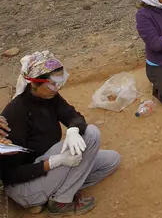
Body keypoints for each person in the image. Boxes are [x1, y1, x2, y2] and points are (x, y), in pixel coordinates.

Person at [0, 51, 120, 215]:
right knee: (91, 134)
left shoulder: (49, 96)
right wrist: (55, 162)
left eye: (60, 82)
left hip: (50, 166)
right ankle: (60, 202)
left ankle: (54, 192)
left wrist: (72, 130)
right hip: (25, 185)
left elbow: (73, 116)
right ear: (34, 83)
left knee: (111, 161)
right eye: (52, 83)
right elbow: (10, 174)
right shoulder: (16, 114)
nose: (57, 88)